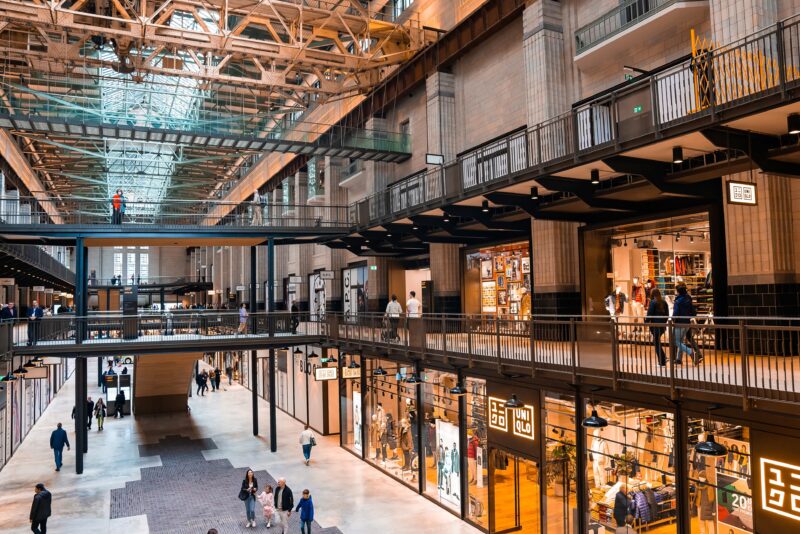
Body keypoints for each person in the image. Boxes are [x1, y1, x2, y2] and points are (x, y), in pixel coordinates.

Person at [672, 283, 696, 365]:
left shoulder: (678, 301)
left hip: (679, 323)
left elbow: (676, 313)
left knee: (676, 341)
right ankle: (679, 359)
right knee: (681, 341)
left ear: (678, 292)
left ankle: (690, 352)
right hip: (687, 323)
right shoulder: (688, 299)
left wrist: (672, 319)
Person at [645, 288, 669, 367]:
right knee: (656, 341)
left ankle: (662, 361)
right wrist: (664, 323)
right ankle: (663, 358)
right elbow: (667, 315)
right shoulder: (664, 302)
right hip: (662, 326)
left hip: (655, 326)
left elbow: (649, 314)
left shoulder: (653, 302)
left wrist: (646, 322)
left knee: (656, 342)